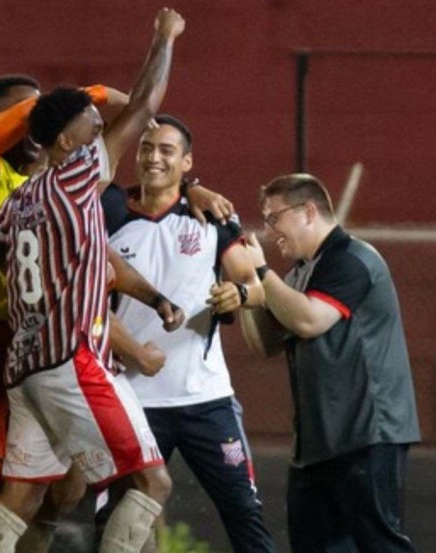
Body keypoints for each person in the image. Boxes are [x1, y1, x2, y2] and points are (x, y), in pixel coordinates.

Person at [0, 8, 186, 552]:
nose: (99, 127)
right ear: (65, 143)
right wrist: (164, 38)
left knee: (21, 496)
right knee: (152, 481)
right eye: (89, 122)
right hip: (72, 357)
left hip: (26, 367)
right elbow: (145, 105)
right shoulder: (78, 175)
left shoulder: (20, 200)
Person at [0, 70, 129, 552]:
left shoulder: (45, 185)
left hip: (30, 350)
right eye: (19, 115)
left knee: (53, 491)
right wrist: (83, 96)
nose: (27, 127)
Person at [97, 115, 276, 552]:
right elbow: (90, 306)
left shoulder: (210, 217)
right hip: (133, 399)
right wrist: (134, 351)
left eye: (166, 150)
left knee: (244, 513)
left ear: (186, 161)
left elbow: (255, 287)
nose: (153, 157)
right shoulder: (108, 212)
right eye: (146, 148)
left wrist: (238, 293)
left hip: (205, 398)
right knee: (119, 522)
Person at [241, 173, 421, 552]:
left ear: (308, 211)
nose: (270, 230)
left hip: (366, 434)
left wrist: (261, 273)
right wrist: (246, 288)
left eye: (275, 218)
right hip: (317, 444)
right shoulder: (299, 273)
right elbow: (265, 343)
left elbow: (308, 320)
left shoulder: (353, 259)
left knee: (378, 544)